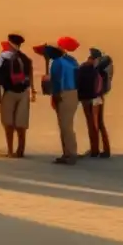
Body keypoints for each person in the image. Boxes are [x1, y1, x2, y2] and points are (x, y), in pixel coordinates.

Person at [0, 33, 34, 158]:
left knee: (8, 124)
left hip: (9, 92)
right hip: (24, 92)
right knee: (21, 124)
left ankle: (10, 151)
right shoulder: (26, 59)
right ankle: (20, 150)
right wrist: (32, 91)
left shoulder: (4, 58)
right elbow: (31, 76)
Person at [49, 36, 81, 165]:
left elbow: (56, 80)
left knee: (65, 126)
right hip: (74, 93)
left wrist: (55, 95)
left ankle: (70, 154)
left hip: (64, 94)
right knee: (67, 125)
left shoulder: (57, 62)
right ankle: (68, 152)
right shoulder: (72, 60)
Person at [78, 47, 111, 158]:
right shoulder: (102, 70)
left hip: (87, 99)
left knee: (91, 124)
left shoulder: (84, 69)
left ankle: (94, 150)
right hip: (99, 98)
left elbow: (79, 83)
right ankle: (106, 149)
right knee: (100, 123)